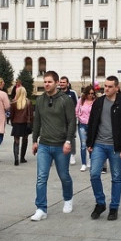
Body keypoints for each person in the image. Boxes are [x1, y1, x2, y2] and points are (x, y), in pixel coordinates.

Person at [86, 76, 121, 221]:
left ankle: (114, 207)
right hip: (99, 145)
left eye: (109, 86)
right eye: (105, 86)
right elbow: (92, 122)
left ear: (116, 88)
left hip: (116, 147)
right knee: (94, 174)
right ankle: (100, 203)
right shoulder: (99, 102)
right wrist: (90, 143)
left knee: (116, 177)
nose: (106, 89)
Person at [29, 70, 76, 221]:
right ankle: (41, 208)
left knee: (64, 175)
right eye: (45, 81)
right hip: (44, 145)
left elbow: (71, 121)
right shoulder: (41, 99)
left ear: (56, 83)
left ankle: (68, 199)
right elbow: (37, 122)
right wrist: (34, 140)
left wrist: (69, 141)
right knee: (41, 177)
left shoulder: (65, 100)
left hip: (61, 145)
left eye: (49, 82)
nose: (46, 84)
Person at [9, 86, 34, 166]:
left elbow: (11, 115)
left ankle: (16, 159)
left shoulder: (13, 102)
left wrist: (12, 122)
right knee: (25, 139)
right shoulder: (28, 102)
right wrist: (31, 123)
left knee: (16, 141)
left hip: (16, 123)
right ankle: (22, 158)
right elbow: (31, 115)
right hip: (25, 123)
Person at [58, 76, 79, 165]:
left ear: (67, 83)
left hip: (70, 119)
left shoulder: (72, 93)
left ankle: (72, 154)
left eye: (64, 82)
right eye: (61, 82)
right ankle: (60, 155)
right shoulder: (57, 93)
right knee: (59, 137)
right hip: (59, 119)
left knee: (71, 137)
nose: (62, 84)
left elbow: (77, 106)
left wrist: (76, 118)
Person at [75, 85, 96, 171]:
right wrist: (78, 117)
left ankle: (91, 160)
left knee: (91, 144)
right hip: (82, 124)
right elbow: (76, 110)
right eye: (89, 93)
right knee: (83, 145)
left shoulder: (95, 101)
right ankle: (83, 163)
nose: (91, 95)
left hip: (92, 125)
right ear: (86, 94)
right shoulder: (81, 100)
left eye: (92, 93)